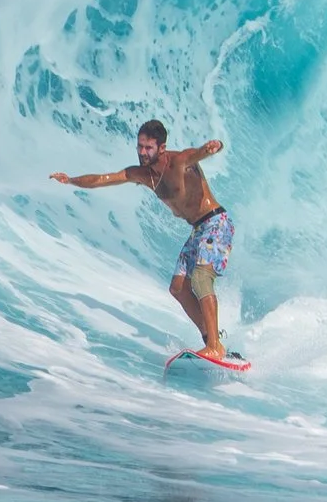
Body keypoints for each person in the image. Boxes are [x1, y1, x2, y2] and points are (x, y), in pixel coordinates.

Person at [51, 119, 236, 360]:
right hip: (198, 230)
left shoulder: (178, 162)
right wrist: (71, 180)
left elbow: (197, 154)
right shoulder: (142, 174)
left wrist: (212, 147)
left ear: (161, 147)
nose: (142, 152)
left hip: (215, 223)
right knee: (178, 288)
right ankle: (211, 339)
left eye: (148, 148)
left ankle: (214, 346)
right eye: (139, 146)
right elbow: (104, 179)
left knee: (201, 279)